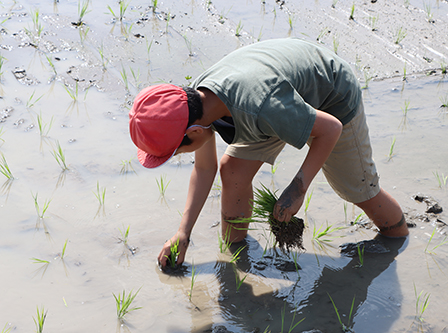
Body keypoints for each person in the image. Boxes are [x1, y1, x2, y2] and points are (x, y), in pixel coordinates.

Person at [129, 38, 409, 269]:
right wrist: (183, 232)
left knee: (359, 191)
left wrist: (298, 188)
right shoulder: (196, 104)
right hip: (275, 105)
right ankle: (236, 256)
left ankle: (397, 239)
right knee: (233, 170)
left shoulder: (259, 105)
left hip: (331, 97)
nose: (179, 155)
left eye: (175, 152)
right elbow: (205, 169)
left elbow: (331, 128)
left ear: (195, 132)